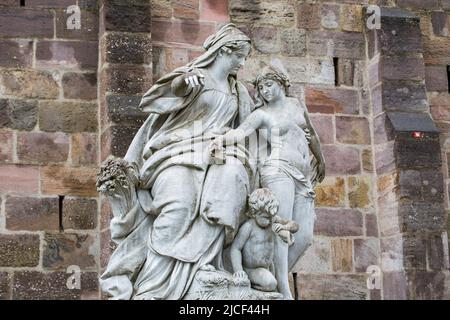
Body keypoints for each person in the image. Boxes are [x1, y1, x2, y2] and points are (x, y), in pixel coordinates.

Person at [99, 23, 257, 300]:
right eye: (239, 56)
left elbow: (251, 127)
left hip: (219, 153)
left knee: (230, 181)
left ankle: (205, 267)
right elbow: (153, 101)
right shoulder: (194, 77)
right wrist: (182, 83)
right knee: (179, 204)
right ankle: (153, 285)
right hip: (176, 152)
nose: (242, 63)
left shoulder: (237, 91)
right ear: (224, 51)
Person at [211, 62, 325, 299]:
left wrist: (321, 160)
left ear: (282, 83)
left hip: (302, 177)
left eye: (269, 85)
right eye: (261, 88)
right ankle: (283, 287)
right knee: (281, 230)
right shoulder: (260, 114)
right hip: (277, 170)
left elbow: (312, 134)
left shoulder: (296, 105)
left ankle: (270, 274)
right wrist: (219, 140)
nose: (264, 91)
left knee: (304, 237)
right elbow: (239, 134)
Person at [230, 188, 299, 293]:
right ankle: (251, 286)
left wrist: (285, 227)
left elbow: (295, 226)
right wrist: (238, 270)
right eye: (266, 217)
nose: (270, 220)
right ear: (254, 213)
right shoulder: (249, 227)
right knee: (271, 283)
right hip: (251, 270)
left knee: (271, 282)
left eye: (271, 217)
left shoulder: (271, 220)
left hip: (268, 268)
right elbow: (235, 248)